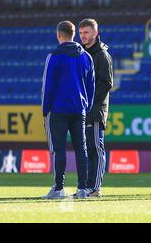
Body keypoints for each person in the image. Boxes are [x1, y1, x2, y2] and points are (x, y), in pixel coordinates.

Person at [41, 20, 95, 199]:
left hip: (59, 110)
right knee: (82, 149)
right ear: (73, 35)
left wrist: (45, 109)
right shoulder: (86, 57)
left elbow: (47, 86)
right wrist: (86, 106)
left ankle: (58, 188)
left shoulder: (54, 56)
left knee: (59, 149)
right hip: (79, 109)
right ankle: (82, 189)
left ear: (59, 35)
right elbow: (91, 85)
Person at [79, 19, 113, 197]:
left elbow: (107, 83)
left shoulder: (102, 55)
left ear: (95, 33)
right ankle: (85, 187)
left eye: (86, 32)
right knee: (86, 151)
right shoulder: (81, 54)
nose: (83, 36)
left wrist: (89, 101)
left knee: (96, 149)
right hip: (83, 110)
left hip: (95, 110)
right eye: (81, 33)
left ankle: (95, 188)